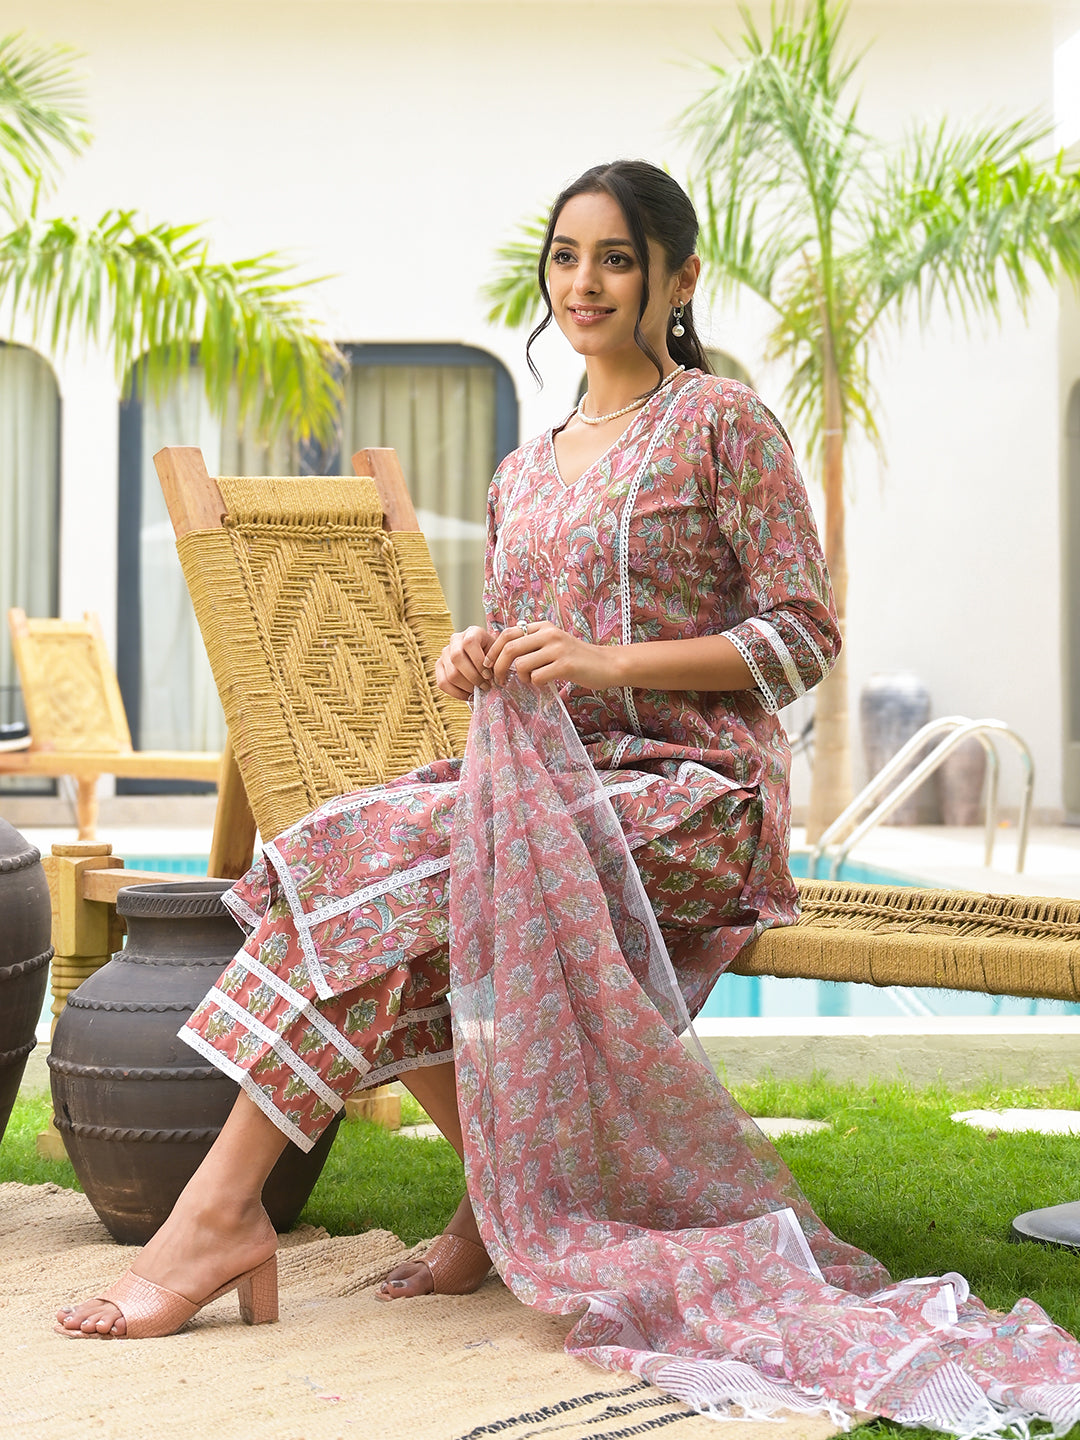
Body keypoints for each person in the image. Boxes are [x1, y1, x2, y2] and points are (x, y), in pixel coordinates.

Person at [57, 156, 829, 1338]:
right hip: (539, 790)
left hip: (692, 797)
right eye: (567, 256)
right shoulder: (522, 468)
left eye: (617, 258)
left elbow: (802, 636)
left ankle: (223, 1218)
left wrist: (610, 665)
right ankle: (483, 1203)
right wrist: (480, 658)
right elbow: (542, 653)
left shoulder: (721, 421)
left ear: (678, 279)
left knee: (397, 877)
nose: (585, 281)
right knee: (352, 862)